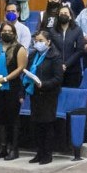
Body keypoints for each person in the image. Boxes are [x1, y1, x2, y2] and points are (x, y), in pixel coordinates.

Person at [0, 22, 28, 160]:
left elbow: (21, 68)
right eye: (4, 31)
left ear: (14, 34)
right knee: (0, 118)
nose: (7, 33)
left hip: (13, 87)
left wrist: (6, 79)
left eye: (10, 31)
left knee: (13, 119)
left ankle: (14, 149)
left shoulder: (19, 48)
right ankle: (2, 148)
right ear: (0, 33)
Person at [23, 31, 65, 164]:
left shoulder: (55, 56)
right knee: (37, 125)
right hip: (35, 94)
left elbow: (58, 78)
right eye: (36, 41)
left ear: (48, 42)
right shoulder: (33, 55)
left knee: (47, 125)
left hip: (49, 95)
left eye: (41, 41)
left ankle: (47, 154)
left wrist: (44, 84)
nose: (38, 43)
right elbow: (27, 72)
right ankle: (39, 153)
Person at [50, 6, 85, 88]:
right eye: (61, 13)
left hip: (73, 70)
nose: (63, 15)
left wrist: (66, 64)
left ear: (70, 16)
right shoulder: (53, 31)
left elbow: (80, 50)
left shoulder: (77, 30)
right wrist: (59, 64)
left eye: (65, 13)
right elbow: (52, 49)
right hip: (56, 69)